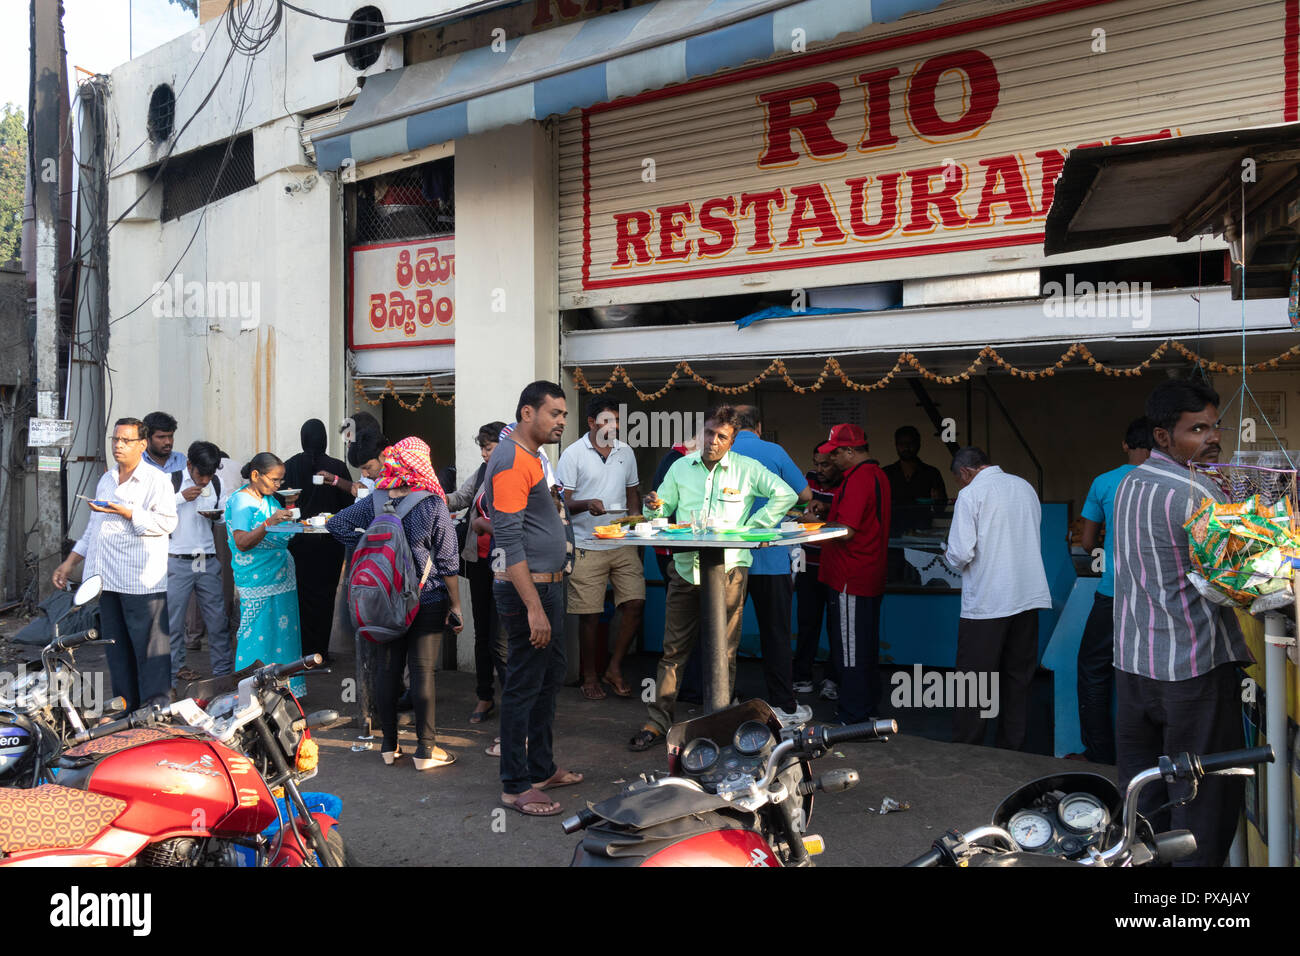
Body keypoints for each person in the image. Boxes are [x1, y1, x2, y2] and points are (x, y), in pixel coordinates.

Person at [1112, 380, 1251, 866]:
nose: (1213, 438)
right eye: (1197, 429)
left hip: (1133, 668)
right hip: (1193, 672)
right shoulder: (1199, 492)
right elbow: (1245, 580)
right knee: (1202, 813)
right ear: (1163, 437)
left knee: (1146, 805)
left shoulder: (1128, 482)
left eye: (1215, 427)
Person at [629, 405, 797, 751]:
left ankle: (720, 723)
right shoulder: (680, 466)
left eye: (721, 436)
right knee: (674, 649)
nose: (713, 441)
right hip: (685, 568)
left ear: (732, 440)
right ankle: (657, 721)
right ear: (701, 432)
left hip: (731, 570)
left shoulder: (747, 469)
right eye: (709, 433)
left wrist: (754, 527)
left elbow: (787, 494)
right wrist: (654, 505)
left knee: (725, 650)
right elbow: (661, 508)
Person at [328, 437, 464, 770]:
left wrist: (367, 548)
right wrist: (456, 606)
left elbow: (335, 523)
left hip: (383, 600)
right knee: (422, 673)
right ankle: (426, 752)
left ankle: (389, 747)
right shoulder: (433, 503)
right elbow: (447, 562)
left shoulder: (374, 500)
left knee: (388, 671)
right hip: (427, 597)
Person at [484, 381, 581, 817]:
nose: (562, 421)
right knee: (523, 684)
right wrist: (534, 606)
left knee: (549, 673)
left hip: (548, 583)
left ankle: (541, 767)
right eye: (554, 413)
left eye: (563, 414)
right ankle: (515, 785)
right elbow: (505, 538)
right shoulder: (509, 459)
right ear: (527, 413)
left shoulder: (531, 458)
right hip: (529, 590)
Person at [52, 418, 177, 711]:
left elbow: (168, 523)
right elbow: (93, 529)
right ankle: (127, 708)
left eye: (126, 440)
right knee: (116, 650)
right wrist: (70, 563)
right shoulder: (107, 479)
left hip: (140, 582)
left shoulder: (156, 480)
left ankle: (156, 710)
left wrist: (128, 512)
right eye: (115, 439)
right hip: (106, 581)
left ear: (142, 445)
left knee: (150, 652)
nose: (118, 446)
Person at [944, 447, 1051, 750]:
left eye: (959, 480)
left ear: (964, 472)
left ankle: (967, 746)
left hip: (988, 602)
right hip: (1027, 597)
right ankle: (1011, 747)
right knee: (1018, 678)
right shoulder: (1024, 486)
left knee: (974, 682)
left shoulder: (971, 494)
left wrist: (947, 553)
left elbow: (961, 552)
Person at [1073, 417, 1153, 764]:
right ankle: (1154, 758)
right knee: (1149, 673)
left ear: (1125, 445)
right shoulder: (1172, 481)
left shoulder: (1104, 482)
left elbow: (1088, 542)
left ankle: (1100, 754)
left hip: (1113, 594)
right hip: (1156, 598)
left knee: (1093, 670)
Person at [556, 397, 644, 700]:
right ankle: (590, 675)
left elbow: (633, 492)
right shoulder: (573, 454)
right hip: (586, 544)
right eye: (607, 421)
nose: (613, 427)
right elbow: (561, 503)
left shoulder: (626, 451)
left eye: (617, 421)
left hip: (621, 542)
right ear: (592, 423)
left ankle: (614, 667)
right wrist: (585, 504)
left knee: (635, 603)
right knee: (590, 615)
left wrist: (635, 527)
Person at [731, 405, 812, 724]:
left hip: (730, 557)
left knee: (724, 633)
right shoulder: (774, 451)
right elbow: (803, 495)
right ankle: (784, 705)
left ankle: (722, 700)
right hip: (772, 558)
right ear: (759, 427)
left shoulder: (720, 453)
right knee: (776, 633)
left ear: (732, 428)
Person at [817, 424, 891, 725]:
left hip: (851, 576)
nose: (832, 459)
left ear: (851, 451)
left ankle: (854, 715)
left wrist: (815, 525)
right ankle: (866, 708)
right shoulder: (877, 474)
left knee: (850, 651)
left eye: (835, 453)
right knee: (864, 646)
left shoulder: (859, 478)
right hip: (867, 573)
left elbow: (846, 530)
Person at [224, 453, 306, 697]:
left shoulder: (269, 499)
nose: (278, 485)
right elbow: (242, 542)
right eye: (274, 480)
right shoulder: (241, 501)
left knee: (283, 633)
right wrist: (269, 522)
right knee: (255, 635)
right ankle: (250, 691)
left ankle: (283, 691)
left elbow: (282, 531)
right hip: (256, 575)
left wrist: (289, 507)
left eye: (281, 481)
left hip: (281, 573)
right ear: (255, 475)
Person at [445, 421, 509, 722]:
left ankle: (513, 702)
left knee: (503, 637)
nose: (484, 454)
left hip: (508, 565)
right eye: (482, 448)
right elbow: (462, 497)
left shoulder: (511, 472)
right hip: (481, 561)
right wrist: (436, 498)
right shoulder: (484, 471)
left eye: (488, 447)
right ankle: (485, 696)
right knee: (482, 632)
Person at [284, 419, 352, 662]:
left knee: (300, 597)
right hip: (330, 546)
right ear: (324, 439)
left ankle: (300, 652)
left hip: (297, 544)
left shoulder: (289, 466)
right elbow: (350, 506)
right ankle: (320, 652)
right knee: (324, 597)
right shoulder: (337, 467)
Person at [166, 441, 231, 683]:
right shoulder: (170, 482)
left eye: (210, 474)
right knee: (173, 625)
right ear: (189, 465)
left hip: (206, 558)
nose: (204, 480)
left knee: (218, 622)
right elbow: (154, 512)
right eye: (201, 474)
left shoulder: (216, 483)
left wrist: (220, 515)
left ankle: (223, 677)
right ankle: (171, 679)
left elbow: (222, 517)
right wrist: (181, 498)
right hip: (177, 559)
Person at [795, 445, 842, 700]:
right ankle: (802, 677)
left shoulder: (846, 483)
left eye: (825, 465)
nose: (820, 470)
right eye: (817, 464)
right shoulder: (810, 478)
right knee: (807, 623)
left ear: (837, 461)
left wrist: (823, 507)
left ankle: (832, 680)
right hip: (807, 563)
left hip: (833, 563)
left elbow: (841, 517)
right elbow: (801, 506)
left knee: (836, 626)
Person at [883, 425, 947, 533]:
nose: (906, 448)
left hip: (922, 533)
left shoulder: (931, 473)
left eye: (910, 443)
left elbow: (941, 508)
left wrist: (938, 500)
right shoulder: (886, 473)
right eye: (902, 444)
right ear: (896, 445)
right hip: (892, 533)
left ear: (918, 445)